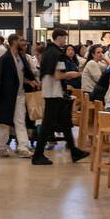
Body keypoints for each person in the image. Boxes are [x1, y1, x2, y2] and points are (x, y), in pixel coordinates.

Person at [31, 28, 90, 166]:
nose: (65, 40)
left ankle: (74, 151)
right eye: (64, 37)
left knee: (64, 121)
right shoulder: (56, 53)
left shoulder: (48, 52)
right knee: (47, 124)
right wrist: (73, 74)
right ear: (58, 37)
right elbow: (57, 75)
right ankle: (38, 155)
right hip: (54, 92)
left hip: (50, 90)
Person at [0, 33, 38, 157]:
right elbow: (0, 78)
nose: (23, 43)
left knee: (20, 120)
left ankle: (23, 146)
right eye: (20, 40)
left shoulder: (21, 57)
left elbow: (20, 76)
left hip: (20, 94)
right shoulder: (5, 59)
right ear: (14, 42)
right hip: (6, 95)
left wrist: (30, 81)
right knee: (4, 122)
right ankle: (2, 146)